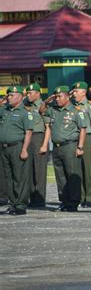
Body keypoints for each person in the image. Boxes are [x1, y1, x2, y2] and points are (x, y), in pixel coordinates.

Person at [42, 86, 86, 212]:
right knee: (60, 177)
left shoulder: (76, 111)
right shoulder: (53, 110)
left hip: (70, 146)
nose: (57, 99)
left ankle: (73, 203)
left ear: (67, 96)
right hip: (57, 147)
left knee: (72, 175)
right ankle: (64, 201)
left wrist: (80, 147)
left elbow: (82, 129)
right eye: (56, 96)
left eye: (60, 96)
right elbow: (41, 111)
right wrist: (46, 101)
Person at [0, 86, 34, 215]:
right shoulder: (5, 111)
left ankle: (20, 205)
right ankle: (13, 202)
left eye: (12, 95)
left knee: (20, 177)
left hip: (17, 147)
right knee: (8, 177)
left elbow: (28, 133)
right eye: (8, 95)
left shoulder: (25, 113)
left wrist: (24, 149)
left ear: (20, 96)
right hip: (4, 148)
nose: (9, 97)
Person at [72, 81, 91, 208]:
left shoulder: (89, 106)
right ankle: (81, 197)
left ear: (84, 92)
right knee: (78, 169)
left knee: (88, 170)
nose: (74, 93)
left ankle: (90, 198)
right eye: (74, 91)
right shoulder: (72, 105)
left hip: (87, 138)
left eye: (77, 91)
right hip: (75, 138)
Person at [24, 83, 49, 208]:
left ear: (38, 93)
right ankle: (30, 198)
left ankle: (39, 199)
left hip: (39, 137)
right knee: (28, 169)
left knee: (39, 171)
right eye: (27, 93)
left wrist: (45, 144)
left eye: (30, 93)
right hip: (27, 138)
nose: (28, 95)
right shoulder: (25, 105)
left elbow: (48, 127)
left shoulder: (43, 106)